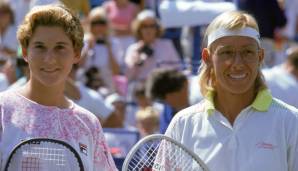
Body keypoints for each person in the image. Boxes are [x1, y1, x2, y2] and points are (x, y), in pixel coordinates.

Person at [164, 11, 298, 170]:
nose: (238, 63)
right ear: (207, 58)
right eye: (226, 52)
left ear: (260, 56)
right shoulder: (183, 123)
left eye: (247, 52)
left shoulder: (290, 121)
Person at [0, 4, 117, 171]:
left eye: (60, 47)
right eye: (40, 47)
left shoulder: (89, 123)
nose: (49, 59)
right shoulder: (3, 110)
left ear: (76, 53)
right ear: (25, 52)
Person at [146, 68, 189, 134]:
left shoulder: (202, 96)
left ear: (170, 95)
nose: (169, 104)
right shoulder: (168, 111)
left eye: (164, 101)